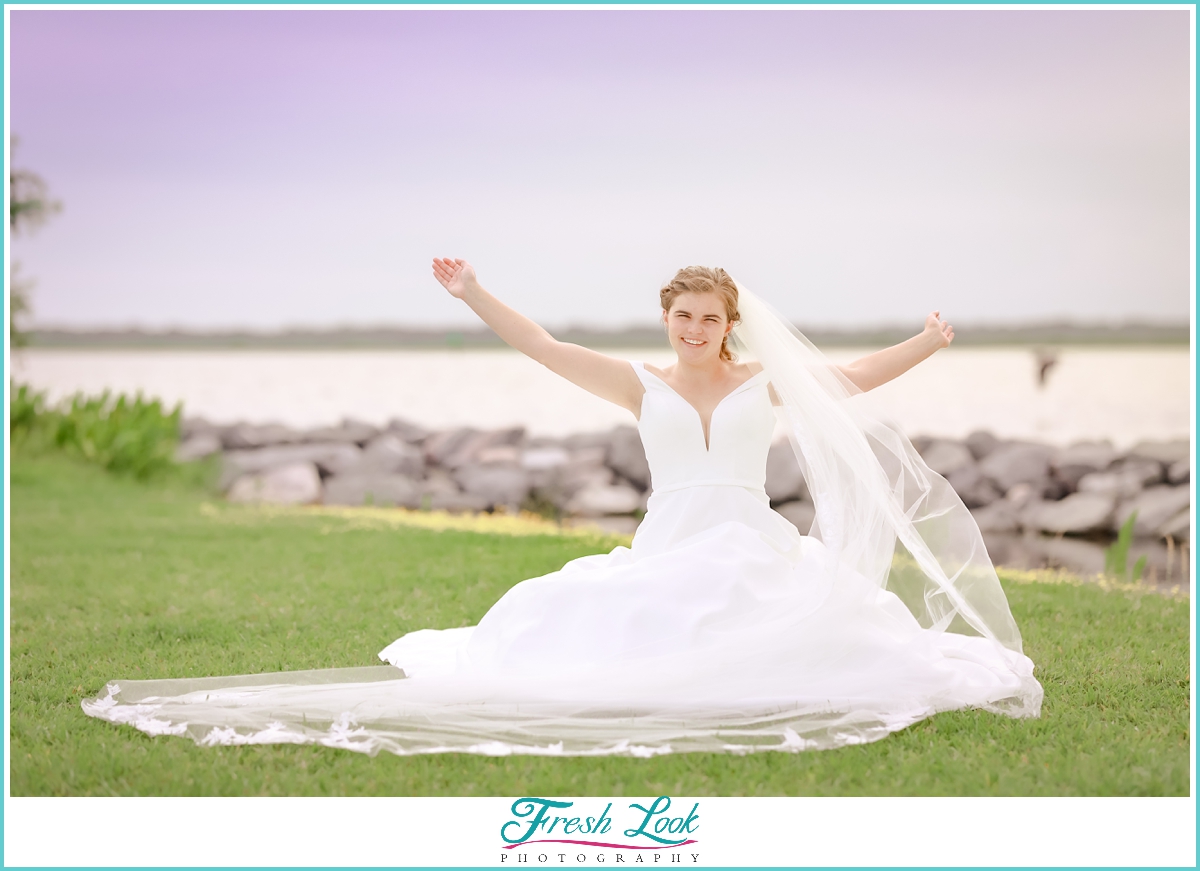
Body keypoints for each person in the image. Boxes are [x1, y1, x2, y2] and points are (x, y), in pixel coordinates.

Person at [82, 261, 1042, 756]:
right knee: (586, 626)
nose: (695, 329)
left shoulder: (762, 382)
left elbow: (848, 377)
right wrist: (472, 293)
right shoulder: (639, 384)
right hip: (669, 539)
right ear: (668, 317)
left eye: (710, 318)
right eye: (683, 316)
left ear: (730, 323)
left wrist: (925, 343)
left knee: (811, 627)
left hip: (750, 538)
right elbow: (539, 344)